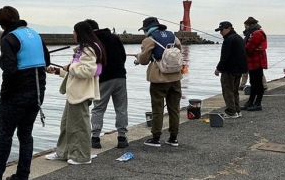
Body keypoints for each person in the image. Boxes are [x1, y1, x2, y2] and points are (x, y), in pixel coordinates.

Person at [0, 6, 51, 180]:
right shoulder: (35, 35)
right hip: (38, 93)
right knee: (26, 135)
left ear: (2, 24)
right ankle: (22, 175)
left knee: (5, 134)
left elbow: (9, 69)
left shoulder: (9, 38)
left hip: (15, 95)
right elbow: (46, 61)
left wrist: (2, 61)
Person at [46, 21, 104, 165]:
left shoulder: (89, 49)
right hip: (75, 92)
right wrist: (59, 71)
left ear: (80, 33)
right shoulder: (83, 49)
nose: (73, 34)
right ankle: (63, 152)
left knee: (79, 126)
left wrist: (70, 67)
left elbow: (87, 70)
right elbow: (76, 70)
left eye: (74, 31)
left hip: (81, 93)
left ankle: (82, 156)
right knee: (66, 124)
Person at [134, 16, 183, 147]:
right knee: (174, 109)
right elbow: (179, 51)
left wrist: (138, 58)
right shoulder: (173, 36)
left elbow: (144, 60)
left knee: (158, 109)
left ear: (147, 28)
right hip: (176, 77)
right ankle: (173, 138)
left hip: (159, 78)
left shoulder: (149, 40)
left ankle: (156, 138)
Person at [85, 19, 129, 149]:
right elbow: (123, 56)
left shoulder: (93, 42)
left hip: (103, 79)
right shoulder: (114, 38)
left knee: (98, 108)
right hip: (120, 76)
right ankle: (122, 137)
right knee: (121, 108)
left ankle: (95, 138)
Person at [214, 21, 247, 118]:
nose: (220, 32)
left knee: (227, 91)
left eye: (222, 30)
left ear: (229, 28)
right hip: (238, 70)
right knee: (234, 91)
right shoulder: (238, 38)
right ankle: (237, 110)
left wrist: (218, 69)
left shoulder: (228, 40)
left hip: (229, 70)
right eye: (219, 30)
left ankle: (231, 111)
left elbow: (224, 57)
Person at [242, 16, 268, 111]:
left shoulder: (257, 34)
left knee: (257, 83)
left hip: (256, 62)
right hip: (253, 62)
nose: (245, 28)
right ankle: (250, 102)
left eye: (246, 26)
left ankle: (258, 103)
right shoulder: (254, 33)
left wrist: (242, 47)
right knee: (253, 82)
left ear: (250, 25)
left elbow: (249, 48)